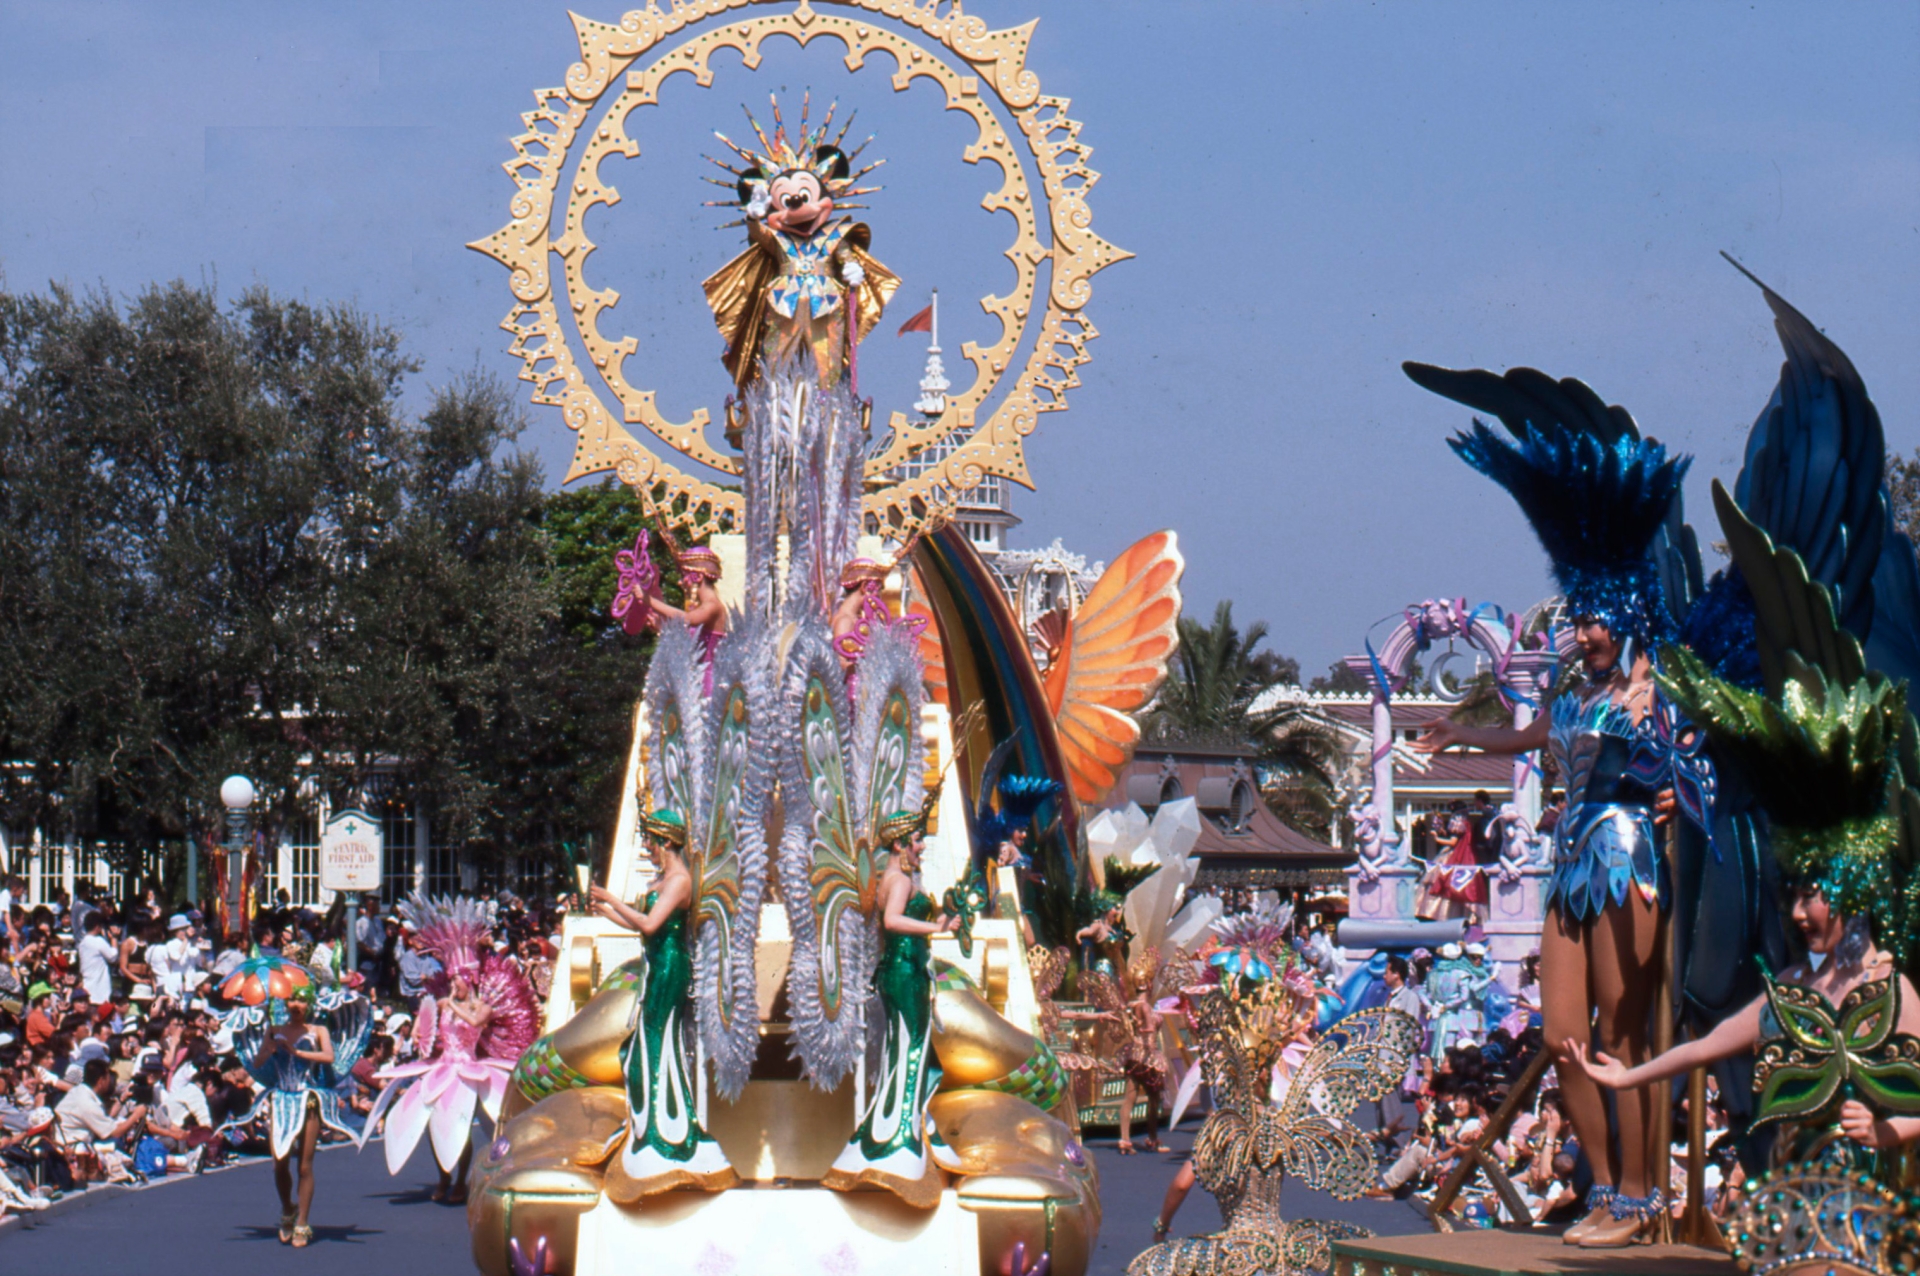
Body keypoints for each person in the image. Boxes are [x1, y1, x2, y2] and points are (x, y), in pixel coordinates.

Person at [587, 809, 737, 1196]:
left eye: (651, 842)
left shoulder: (680, 880)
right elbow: (643, 924)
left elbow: (651, 925)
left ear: (666, 842)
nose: (648, 850)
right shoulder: (665, 879)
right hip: (658, 964)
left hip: (670, 967)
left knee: (657, 1042)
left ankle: (667, 1130)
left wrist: (612, 899)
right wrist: (605, 910)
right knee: (647, 1043)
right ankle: (650, 1125)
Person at [822, 807, 958, 1204]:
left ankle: (903, 1129)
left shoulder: (895, 877)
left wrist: (951, 914)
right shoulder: (898, 880)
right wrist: (935, 928)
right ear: (899, 844)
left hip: (904, 968)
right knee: (910, 1047)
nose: (921, 847)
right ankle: (895, 1139)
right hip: (902, 970)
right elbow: (893, 921)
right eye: (916, 840)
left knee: (908, 1047)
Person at [74, 912, 116, 1006]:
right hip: (99, 990)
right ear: (97, 927)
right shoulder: (98, 941)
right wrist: (114, 940)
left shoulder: (82, 943)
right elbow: (112, 957)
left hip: (87, 987)